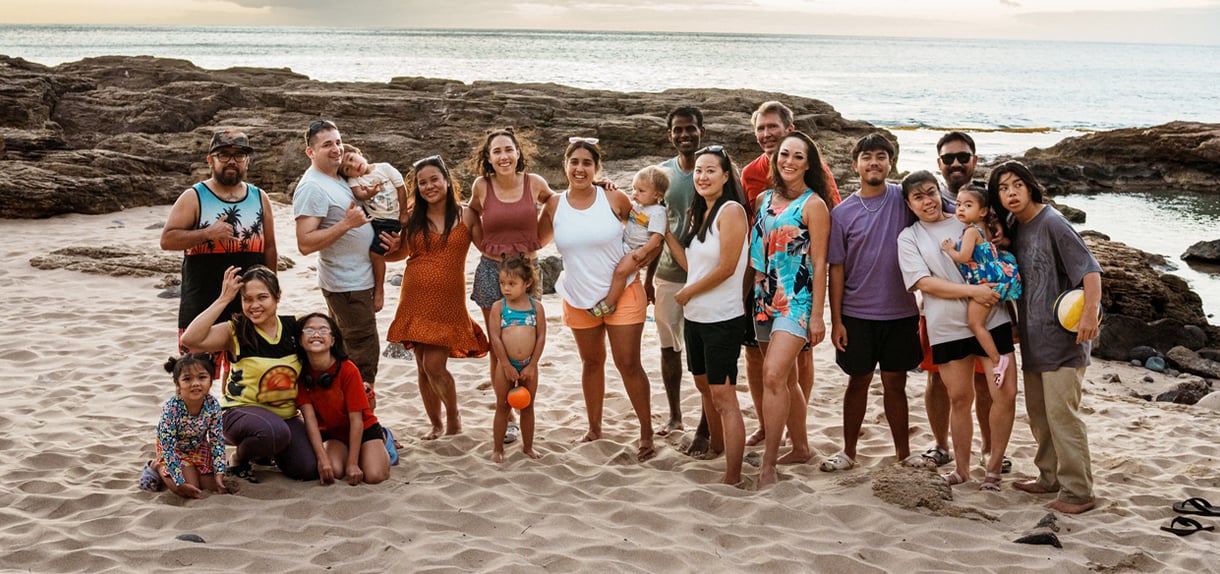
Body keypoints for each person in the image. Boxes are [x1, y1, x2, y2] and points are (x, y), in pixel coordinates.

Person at [989, 160, 1101, 514]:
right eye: (1003, 188)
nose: (1011, 193)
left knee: (1062, 415)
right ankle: (1048, 477)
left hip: (1065, 342)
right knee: (1039, 415)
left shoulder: (1052, 222)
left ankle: (1078, 492)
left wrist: (1088, 317)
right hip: (1034, 340)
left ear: (1030, 186)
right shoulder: (1015, 227)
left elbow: (1090, 271)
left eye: (1016, 185)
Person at [897, 171, 1017, 491]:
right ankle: (962, 470)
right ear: (908, 204)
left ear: (940, 193)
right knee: (959, 398)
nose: (927, 201)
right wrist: (973, 292)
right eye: (918, 196)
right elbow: (923, 283)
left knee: (1004, 394)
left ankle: (992, 468)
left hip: (994, 320)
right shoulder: (910, 237)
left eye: (931, 192)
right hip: (947, 327)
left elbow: (1004, 241)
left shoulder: (968, 220)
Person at [539, 138, 656, 462]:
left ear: (597, 168)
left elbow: (648, 226)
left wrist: (641, 260)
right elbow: (533, 240)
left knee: (628, 364)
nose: (580, 168)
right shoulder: (553, 205)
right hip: (578, 297)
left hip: (623, 294)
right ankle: (594, 428)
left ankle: (646, 433)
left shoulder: (613, 197)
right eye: (574, 162)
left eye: (587, 163)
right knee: (592, 363)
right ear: (565, 165)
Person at [739, 101, 841, 448]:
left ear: (790, 129)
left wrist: (820, 312)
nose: (766, 134)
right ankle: (772, 425)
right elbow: (753, 235)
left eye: (773, 127)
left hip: (797, 294)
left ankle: (794, 427)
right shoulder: (752, 177)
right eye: (761, 129)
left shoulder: (815, 188)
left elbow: (827, 235)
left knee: (795, 364)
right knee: (761, 362)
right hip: (763, 292)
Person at [823, 132, 923, 472]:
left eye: (881, 156)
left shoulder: (904, 199)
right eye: (867, 157)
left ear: (890, 163)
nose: (874, 162)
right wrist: (836, 320)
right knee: (858, 380)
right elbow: (836, 270)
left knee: (896, 384)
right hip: (856, 314)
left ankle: (903, 455)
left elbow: (944, 212)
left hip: (901, 313)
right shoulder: (842, 213)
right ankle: (848, 452)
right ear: (856, 165)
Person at [919, 131, 1009, 473]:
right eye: (948, 158)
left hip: (988, 304)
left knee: (987, 380)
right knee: (937, 379)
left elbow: (1009, 240)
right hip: (939, 308)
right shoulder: (930, 199)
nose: (955, 163)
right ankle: (941, 444)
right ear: (938, 163)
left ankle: (988, 448)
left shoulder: (989, 201)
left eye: (962, 156)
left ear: (974, 159)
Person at [661, 145, 750, 485]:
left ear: (726, 176)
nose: (702, 176)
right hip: (696, 317)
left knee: (724, 396)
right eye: (698, 170)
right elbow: (693, 265)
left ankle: (733, 476)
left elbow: (727, 268)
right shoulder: (702, 212)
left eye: (711, 170)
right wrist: (667, 234)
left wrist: (688, 292)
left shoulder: (731, 211)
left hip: (722, 319)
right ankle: (716, 445)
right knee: (704, 387)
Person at [749, 132, 833, 487]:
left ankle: (769, 464)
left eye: (798, 156)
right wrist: (755, 296)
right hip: (765, 299)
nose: (789, 161)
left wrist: (817, 314)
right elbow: (757, 256)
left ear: (808, 164)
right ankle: (800, 447)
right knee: (788, 380)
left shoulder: (815, 205)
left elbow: (820, 262)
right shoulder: (764, 199)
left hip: (797, 302)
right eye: (785, 154)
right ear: (775, 158)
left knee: (772, 376)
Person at [384, 155, 489, 440]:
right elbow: (399, 254)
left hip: (448, 301)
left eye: (434, 180)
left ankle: (453, 417)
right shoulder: (412, 216)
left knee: (434, 365)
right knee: (422, 366)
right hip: (414, 296)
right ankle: (436, 423)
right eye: (422, 183)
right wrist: (389, 246)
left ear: (446, 181)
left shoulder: (466, 214)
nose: (429, 186)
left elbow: (487, 248)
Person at [179, 265, 316, 482]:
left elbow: (331, 338)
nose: (254, 306)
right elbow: (190, 339)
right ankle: (239, 458)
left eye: (262, 297)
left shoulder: (295, 326)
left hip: (285, 417)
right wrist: (224, 298)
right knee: (273, 432)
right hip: (238, 413)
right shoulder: (235, 329)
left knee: (307, 468)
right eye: (247, 299)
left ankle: (266, 451)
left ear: (277, 296)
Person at [466, 128, 555, 445]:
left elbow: (559, 203)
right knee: (498, 346)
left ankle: (525, 404)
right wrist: (483, 246)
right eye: (497, 152)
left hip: (528, 270)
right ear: (488, 158)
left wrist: (538, 242)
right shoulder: (481, 186)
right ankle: (508, 414)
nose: (503, 156)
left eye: (508, 150)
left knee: (527, 341)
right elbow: (470, 214)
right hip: (493, 271)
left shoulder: (535, 183)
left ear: (519, 153)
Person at [160, 130, 277, 365]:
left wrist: (272, 290)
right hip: (202, 302)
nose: (232, 161)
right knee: (196, 374)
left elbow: (270, 247)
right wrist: (208, 233)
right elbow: (167, 240)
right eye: (224, 155)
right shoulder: (194, 196)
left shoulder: (259, 197)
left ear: (248, 161)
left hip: (247, 303)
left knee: (242, 371)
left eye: (239, 155)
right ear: (210, 160)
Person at [294, 119, 393, 394]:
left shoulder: (338, 178)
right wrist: (347, 224)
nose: (336, 149)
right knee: (363, 359)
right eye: (327, 144)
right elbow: (304, 242)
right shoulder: (312, 187)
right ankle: (364, 428)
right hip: (347, 285)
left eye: (338, 142)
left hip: (356, 280)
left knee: (348, 355)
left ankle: (352, 420)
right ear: (310, 152)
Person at [646, 106, 704, 445]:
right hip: (667, 274)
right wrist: (647, 279)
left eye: (691, 129)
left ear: (701, 130)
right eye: (678, 130)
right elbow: (655, 227)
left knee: (702, 351)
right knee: (670, 348)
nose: (685, 135)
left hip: (707, 277)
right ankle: (675, 415)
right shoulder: (661, 175)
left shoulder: (715, 168)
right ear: (670, 134)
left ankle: (706, 422)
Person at [939, 185, 1022, 384]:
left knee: (975, 324)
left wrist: (949, 250)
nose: (960, 209)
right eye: (958, 204)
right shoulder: (986, 228)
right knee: (978, 323)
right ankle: (997, 358)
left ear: (983, 211)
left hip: (984, 284)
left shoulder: (970, 232)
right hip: (993, 279)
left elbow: (964, 257)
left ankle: (996, 359)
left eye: (968, 205)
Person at [296, 313, 391, 486]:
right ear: (301, 340)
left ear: (332, 340)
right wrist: (322, 459)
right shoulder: (301, 374)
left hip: (364, 428)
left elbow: (357, 420)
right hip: (334, 434)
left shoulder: (348, 370)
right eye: (309, 330)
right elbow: (309, 420)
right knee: (334, 471)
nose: (316, 334)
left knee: (374, 475)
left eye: (323, 330)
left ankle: (384, 438)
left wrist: (353, 463)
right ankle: (352, 454)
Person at [139, 353, 227, 498]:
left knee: (213, 487)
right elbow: (167, 446)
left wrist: (219, 472)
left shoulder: (213, 405)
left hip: (199, 448)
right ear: (177, 384)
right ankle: (155, 466)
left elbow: (217, 441)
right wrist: (178, 482)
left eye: (202, 377)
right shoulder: (171, 409)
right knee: (189, 489)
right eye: (187, 379)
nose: (196, 383)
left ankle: (194, 471)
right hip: (174, 450)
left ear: (211, 380)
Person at [487, 256, 547, 463]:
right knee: (503, 406)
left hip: (529, 364)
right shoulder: (499, 307)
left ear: (527, 283)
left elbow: (540, 337)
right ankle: (497, 448)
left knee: (528, 406)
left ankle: (528, 446)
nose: (506, 288)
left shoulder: (536, 307)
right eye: (502, 283)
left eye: (512, 284)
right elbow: (494, 337)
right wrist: (504, 364)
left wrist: (532, 365)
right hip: (506, 365)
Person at [339, 143, 408, 313]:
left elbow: (401, 188)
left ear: (358, 152)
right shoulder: (355, 180)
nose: (354, 166)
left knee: (375, 253)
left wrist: (404, 213)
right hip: (374, 220)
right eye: (348, 169)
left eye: (351, 159)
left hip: (391, 219)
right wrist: (367, 194)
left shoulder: (384, 168)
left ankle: (379, 290)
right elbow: (358, 194)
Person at [597, 165, 668, 316]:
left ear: (656, 195)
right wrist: (608, 185)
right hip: (625, 245)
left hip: (637, 250)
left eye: (641, 191)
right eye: (634, 189)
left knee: (621, 272)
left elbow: (658, 236)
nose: (635, 193)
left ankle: (609, 302)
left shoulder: (658, 212)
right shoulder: (637, 206)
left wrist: (644, 251)